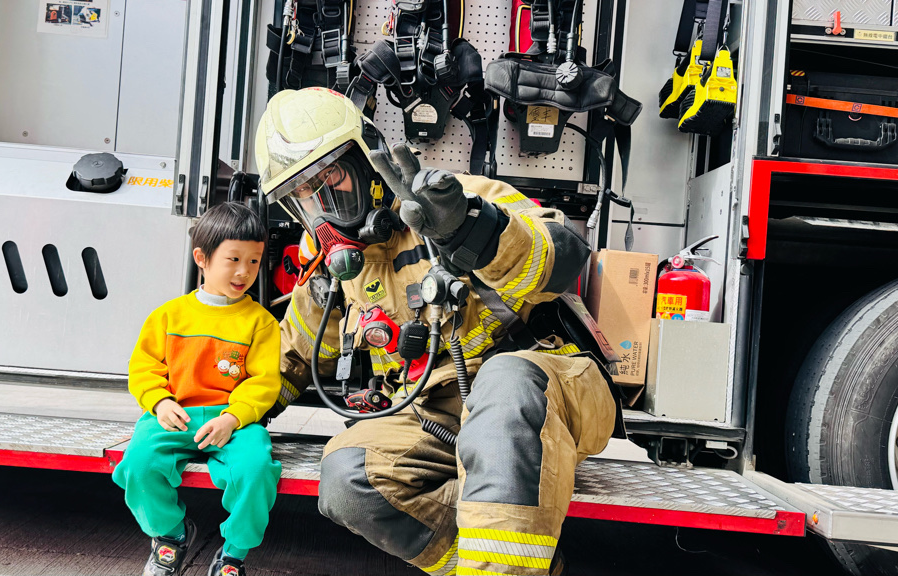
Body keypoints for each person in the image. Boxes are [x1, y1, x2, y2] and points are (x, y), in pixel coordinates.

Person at [256, 87, 623, 576]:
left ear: (368, 160)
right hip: (435, 415)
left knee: (504, 385)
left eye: (331, 179)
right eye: (302, 195)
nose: (322, 208)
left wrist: (472, 231)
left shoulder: (460, 198)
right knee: (348, 476)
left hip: (545, 391)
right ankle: (504, 563)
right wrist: (226, 412)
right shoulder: (333, 270)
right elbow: (291, 359)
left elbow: (564, 258)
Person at [112, 203, 283, 576]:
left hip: (233, 423)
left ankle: (234, 553)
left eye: (254, 261)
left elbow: (264, 382)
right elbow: (144, 367)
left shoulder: (262, 323)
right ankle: (170, 534)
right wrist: (159, 402)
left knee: (256, 470)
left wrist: (233, 418)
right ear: (202, 258)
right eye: (233, 259)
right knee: (138, 464)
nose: (244, 271)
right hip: (174, 416)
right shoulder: (168, 316)